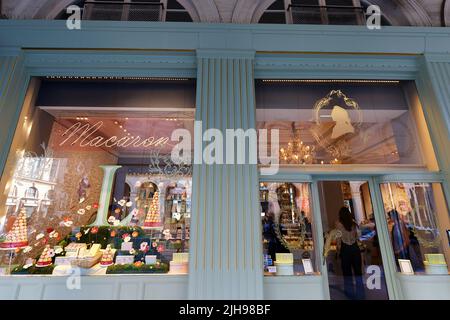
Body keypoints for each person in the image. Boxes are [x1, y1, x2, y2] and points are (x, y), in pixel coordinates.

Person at [336, 206, 365, 300]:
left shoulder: (338, 224)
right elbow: (358, 236)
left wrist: (338, 250)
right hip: (355, 248)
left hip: (345, 250)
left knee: (347, 273)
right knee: (358, 272)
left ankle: (350, 294)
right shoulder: (353, 223)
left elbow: (338, 238)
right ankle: (361, 294)